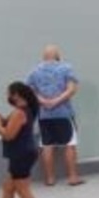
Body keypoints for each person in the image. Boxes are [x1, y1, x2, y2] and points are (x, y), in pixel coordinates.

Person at [26, 44, 84, 186]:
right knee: (70, 144)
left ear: (44, 56)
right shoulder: (66, 68)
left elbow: (28, 90)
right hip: (63, 113)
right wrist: (56, 101)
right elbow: (71, 89)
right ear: (57, 55)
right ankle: (72, 177)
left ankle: (50, 179)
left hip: (44, 115)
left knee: (47, 145)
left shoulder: (35, 71)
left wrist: (44, 101)